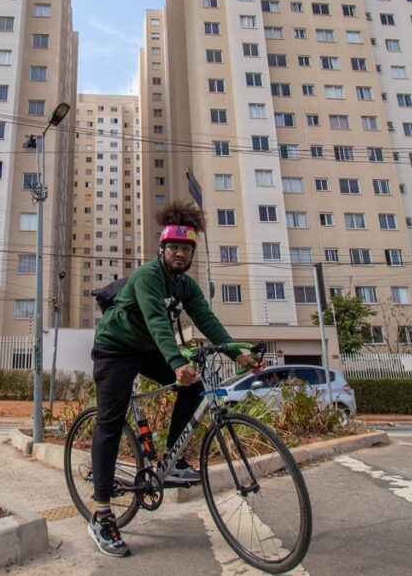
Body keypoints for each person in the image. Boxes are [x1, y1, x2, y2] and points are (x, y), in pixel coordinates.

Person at [86, 201, 262, 557]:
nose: (180, 254)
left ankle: (172, 459)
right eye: (174, 247)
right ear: (162, 250)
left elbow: (208, 322)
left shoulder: (186, 287)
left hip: (149, 348)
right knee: (110, 421)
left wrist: (236, 353)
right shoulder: (147, 277)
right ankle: (102, 512)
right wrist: (175, 360)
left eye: (186, 248)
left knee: (195, 386)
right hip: (115, 349)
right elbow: (155, 319)